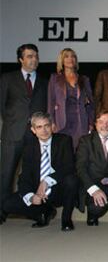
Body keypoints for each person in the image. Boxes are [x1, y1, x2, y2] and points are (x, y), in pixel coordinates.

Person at [2, 112, 79, 231]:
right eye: (39, 127)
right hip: (37, 193)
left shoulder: (64, 141)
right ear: (33, 130)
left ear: (52, 126)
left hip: (58, 190)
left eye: (46, 126)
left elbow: (68, 167)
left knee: (72, 180)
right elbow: (24, 176)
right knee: (7, 204)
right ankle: (43, 213)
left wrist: (46, 181)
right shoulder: (29, 147)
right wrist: (31, 196)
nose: (44, 130)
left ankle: (66, 219)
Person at [0, 44, 48, 224]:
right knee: (6, 175)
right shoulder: (7, 78)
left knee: (33, 175)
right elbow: (2, 107)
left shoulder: (45, 81)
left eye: (35, 56)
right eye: (29, 56)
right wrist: (13, 123)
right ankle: (1, 210)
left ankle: (33, 211)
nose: (33, 59)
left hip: (35, 137)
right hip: (12, 134)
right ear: (21, 59)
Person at [47, 48, 94, 149]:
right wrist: (51, 122)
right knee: (64, 153)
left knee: (80, 152)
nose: (70, 59)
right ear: (62, 60)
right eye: (67, 56)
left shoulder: (84, 79)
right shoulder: (55, 78)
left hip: (81, 121)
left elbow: (90, 103)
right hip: (62, 121)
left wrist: (91, 122)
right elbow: (51, 102)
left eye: (73, 56)